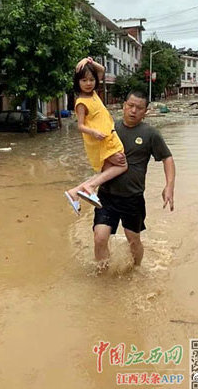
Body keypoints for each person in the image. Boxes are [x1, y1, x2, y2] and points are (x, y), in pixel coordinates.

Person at [93, 90, 175, 271]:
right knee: (100, 237)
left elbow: (167, 158)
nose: (133, 111)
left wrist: (169, 186)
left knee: (133, 240)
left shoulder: (150, 134)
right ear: (124, 106)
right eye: (130, 106)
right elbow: (95, 156)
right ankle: (102, 275)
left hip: (132, 198)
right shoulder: (110, 130)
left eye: (139, 108)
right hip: (107, 195)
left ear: (145, 111)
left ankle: (136, 270)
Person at [65, 57, 128, 215]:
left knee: (106, 172)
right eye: (84, 80)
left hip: (107, 136)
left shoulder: (93, 94)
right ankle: (90, 187)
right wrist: (94, 132)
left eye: (91, 80)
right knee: (122, 164)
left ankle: (75, 192)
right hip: (101, 140)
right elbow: (80, 126)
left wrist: (88, 61)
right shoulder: (81, 102)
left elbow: (102, 70)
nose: (88, 83)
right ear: (77, 82)